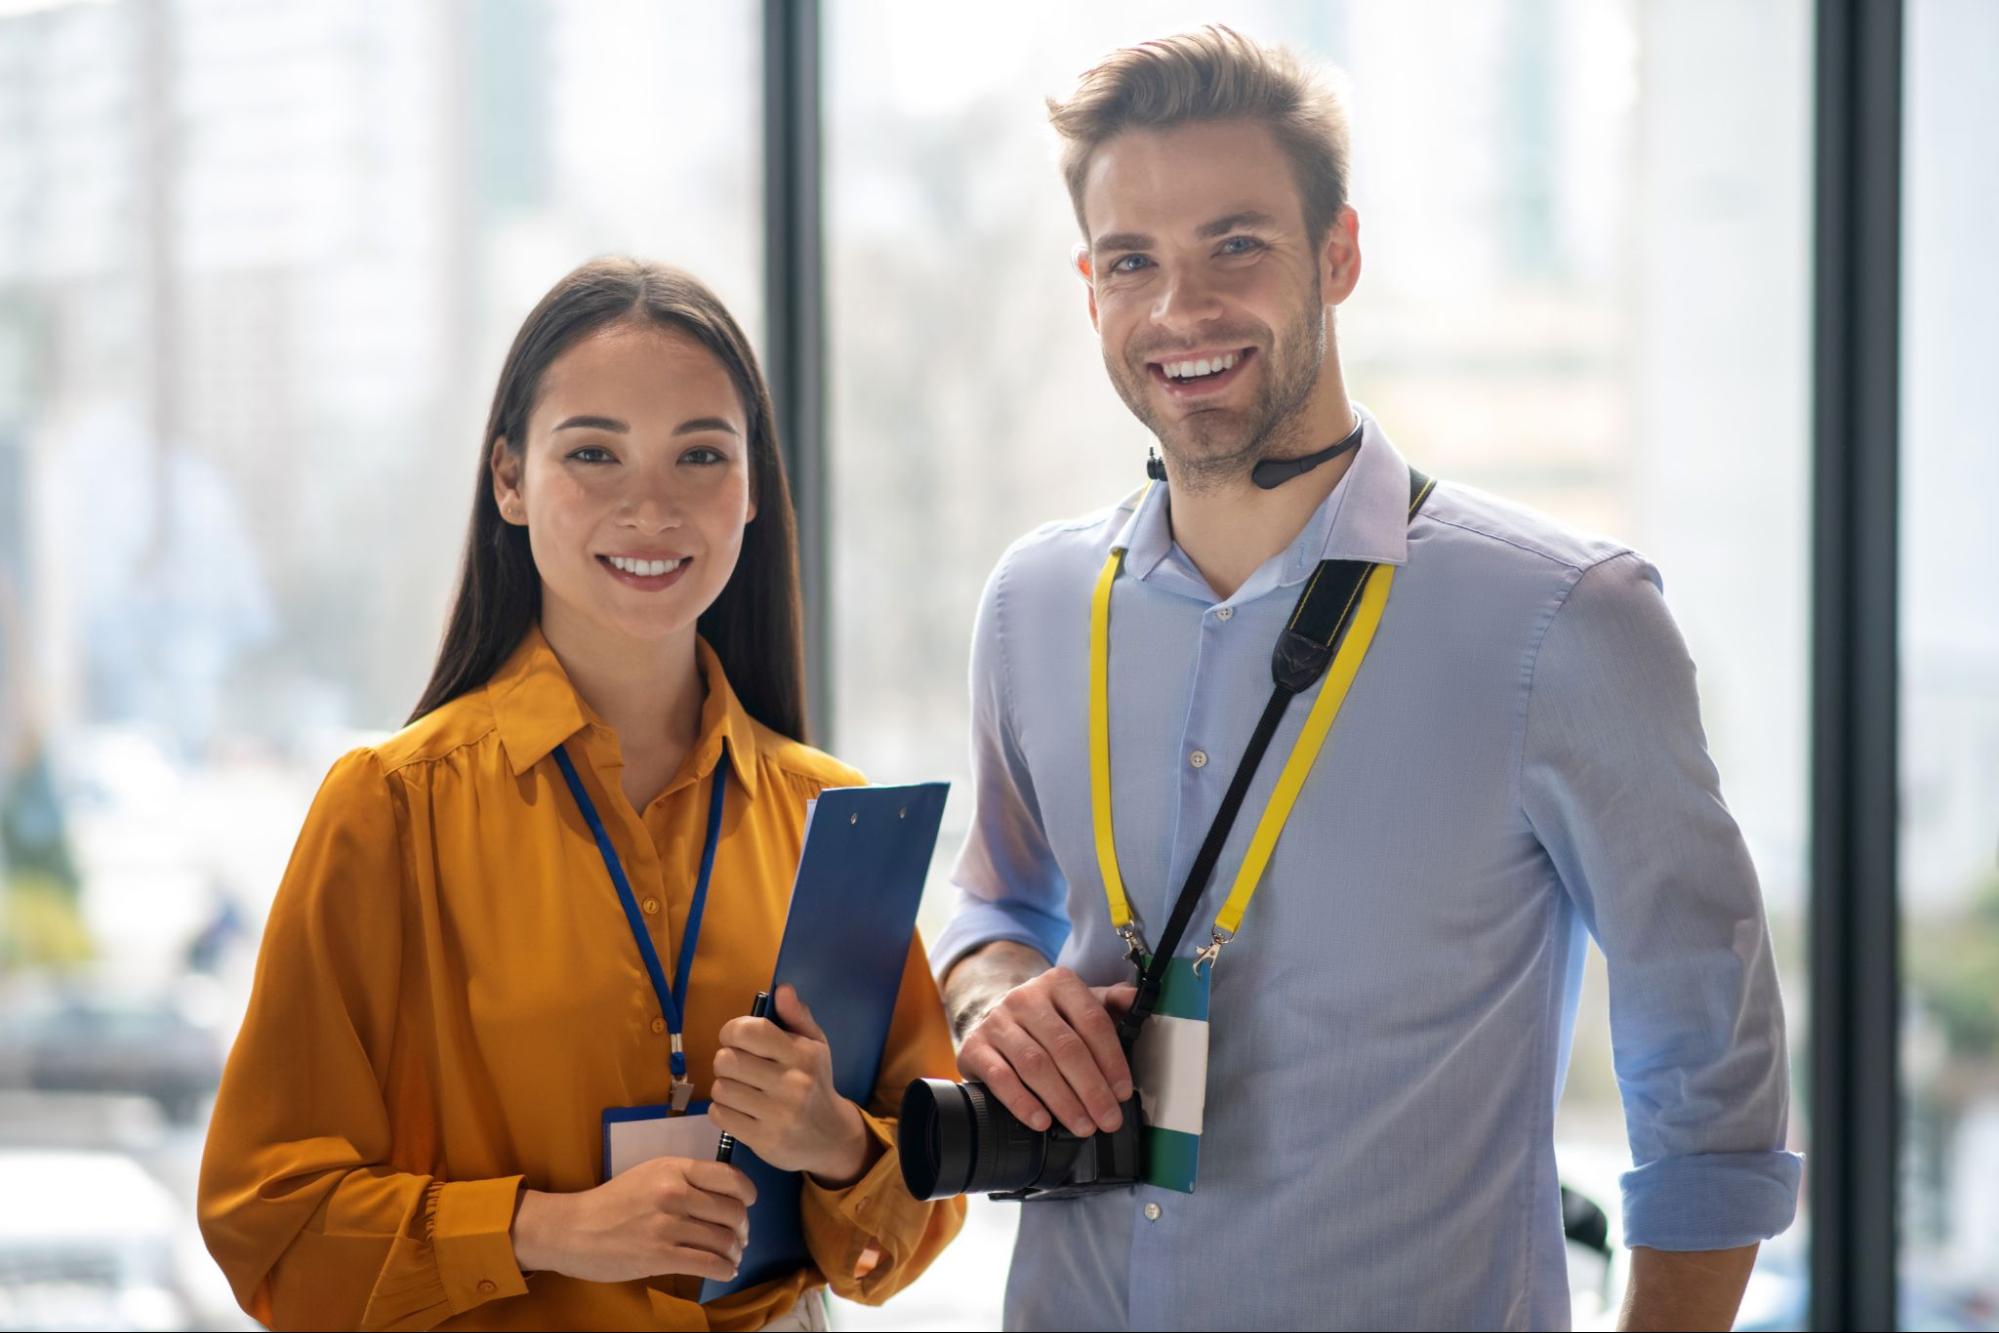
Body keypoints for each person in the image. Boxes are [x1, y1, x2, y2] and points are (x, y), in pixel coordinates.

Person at [934, 27, 1799, 1332]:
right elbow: (992, 899)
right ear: (1087, 283)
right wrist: (996, 995)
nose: (1178, 309)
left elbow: (1707, 1078)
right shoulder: (1033, 604)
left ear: (1337, 253)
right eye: (1132, 261)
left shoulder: (1565, 620)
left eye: (1235, 244)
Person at [198, 258, 964, 1331]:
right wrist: (546, 1228)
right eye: (594, 453)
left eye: (701, 454)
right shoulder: (387, 811)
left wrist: (831, 1142)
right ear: (509, 480)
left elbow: (904, 1233)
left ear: (751, 489)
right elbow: (262, 1221)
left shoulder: (831, 821)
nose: (650, 505)